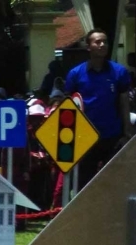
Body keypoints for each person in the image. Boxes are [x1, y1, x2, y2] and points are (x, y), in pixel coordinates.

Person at [65, 28, 133, 189]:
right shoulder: (75, 74)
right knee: (84, 184)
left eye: (105, 42)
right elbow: (68, 106)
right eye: (97, 42)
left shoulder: (119, 72)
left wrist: (127, 133)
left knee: (115, 183)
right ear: (88, 47)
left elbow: (124, 102)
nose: (102, 45)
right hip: (85, 139)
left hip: (113, 136)